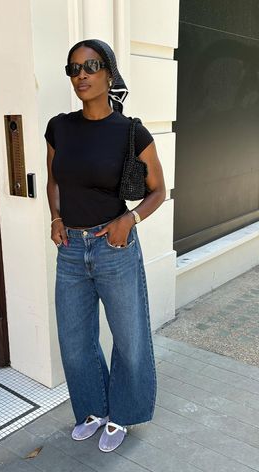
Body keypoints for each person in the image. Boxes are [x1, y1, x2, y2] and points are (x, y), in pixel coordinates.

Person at [45, 38, 166, 453]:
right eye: (73, 68)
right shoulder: (59, 127)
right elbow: (54, 181)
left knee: (129, 338)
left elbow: (158, 191)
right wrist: (56, 218)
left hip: (114, 247)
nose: (81, 75)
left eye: (90, 66)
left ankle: (124, 415)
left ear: (109, 73)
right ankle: (93, 411)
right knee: (75, 341)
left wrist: (128, 220)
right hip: (71, 252)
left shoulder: (131, 131)